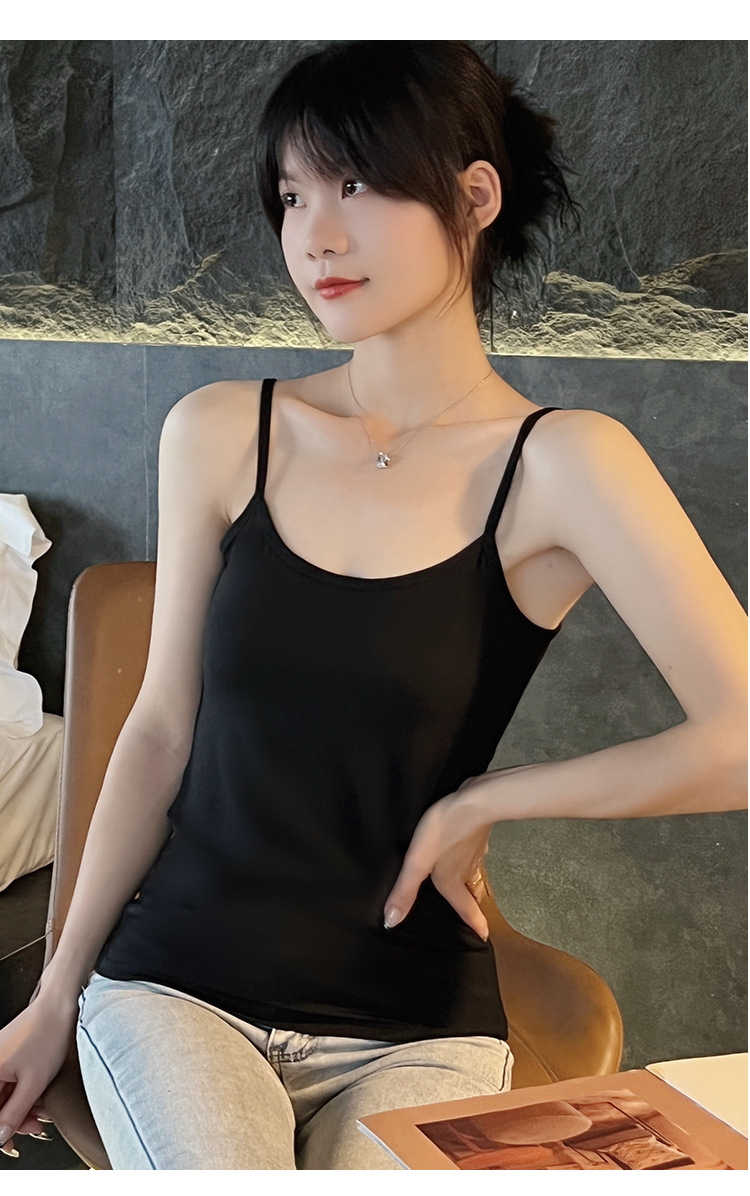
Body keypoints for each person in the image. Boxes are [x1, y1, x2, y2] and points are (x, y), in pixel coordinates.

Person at [0, 41, 746, 1171]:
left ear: (475, 196)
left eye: (354, 183)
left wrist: (487, 799)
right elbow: (157, 730)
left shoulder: (565, 465)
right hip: (179, 988)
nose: (315, 234)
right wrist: (56, 990)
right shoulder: (221, 431)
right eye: (292, 195)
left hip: (419, 1020)